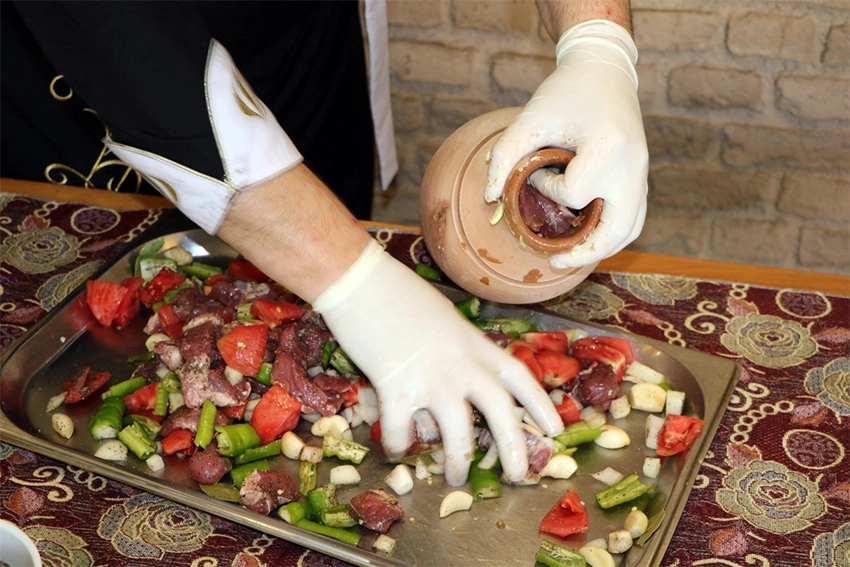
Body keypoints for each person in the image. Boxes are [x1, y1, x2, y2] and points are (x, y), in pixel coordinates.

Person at [4, 0, 647, 486]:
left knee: (326, 236)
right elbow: (122, 36)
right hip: (83, 72)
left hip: (298, 37)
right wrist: (355, 279)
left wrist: (598, 42)